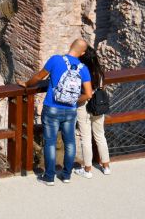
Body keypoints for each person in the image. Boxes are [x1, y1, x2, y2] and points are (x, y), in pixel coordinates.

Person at [24, 39, 93, 186]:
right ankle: (66, 175)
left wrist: (26, 84)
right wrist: (74, 101)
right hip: (70, 110)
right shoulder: (83, 68)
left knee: (50, 143)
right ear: (82, 53)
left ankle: (49, 177)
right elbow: (88, 94)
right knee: (70, 143)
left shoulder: (56, 60)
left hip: (52, 107)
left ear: (70, 46)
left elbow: (39, 77)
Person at [75, 48, 111, 177]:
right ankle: (106, 166)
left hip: (84, 105)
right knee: (100, 136)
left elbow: (84, 91)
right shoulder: (99, 72)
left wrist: (75, 102)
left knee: (85, 138)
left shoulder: (82, 71)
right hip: (98, 105)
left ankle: (87, 169)